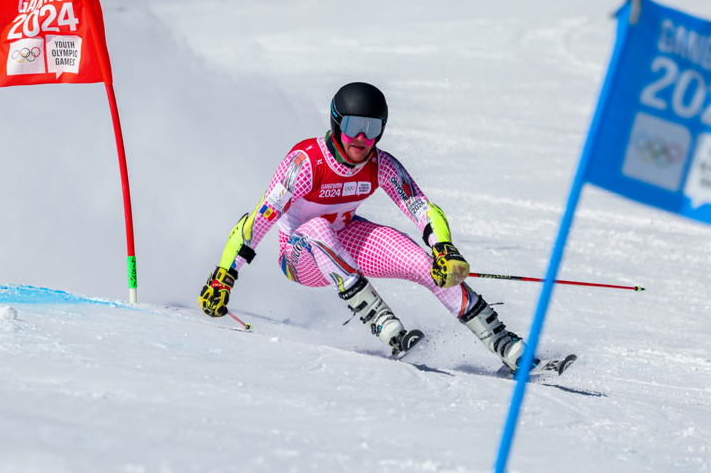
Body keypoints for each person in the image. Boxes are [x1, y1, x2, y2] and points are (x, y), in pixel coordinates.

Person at [198, 82, 527, 370]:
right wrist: (224, 277)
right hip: (299, 257)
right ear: (336, 123)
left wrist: (443, 248)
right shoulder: (306, 163)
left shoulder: (379, 164)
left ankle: (505, 345)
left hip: (347, 237)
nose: (361, 138)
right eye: (353, 126)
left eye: (371, 128)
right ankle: (383, 323)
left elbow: (422, 208)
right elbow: (256, 222)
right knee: (317, 228)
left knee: (425, 263)